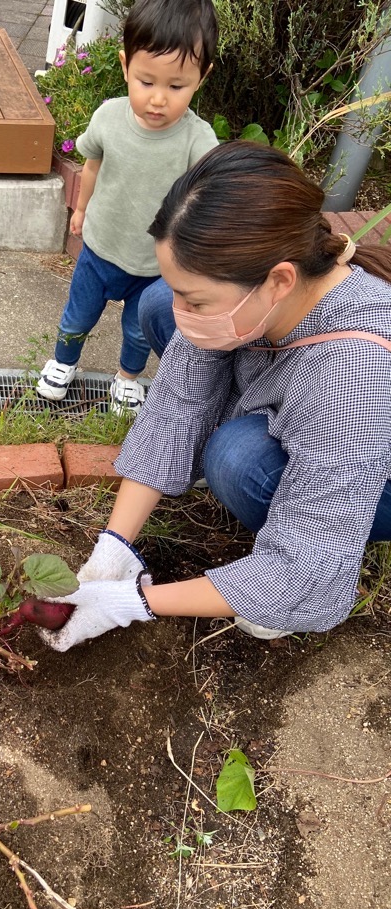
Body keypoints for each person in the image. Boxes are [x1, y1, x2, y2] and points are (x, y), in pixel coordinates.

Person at [42, 141, 391, 651]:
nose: (187, 312)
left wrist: (134, 603)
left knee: (238, 458)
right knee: (159, 306)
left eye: (197, 299)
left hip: (372, 476)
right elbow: (177, 402)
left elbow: (305, 572)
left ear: (279, 281)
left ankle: (270, 591)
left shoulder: (351, 374)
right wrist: (114, 545)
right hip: (305, 397)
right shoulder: (268, 294)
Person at [36, 0, 219, 415]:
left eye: (176, 87)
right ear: (125, 65)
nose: (158, 99)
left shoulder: (198, 140)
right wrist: (80, 212)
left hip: (154, 266)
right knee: (77, 317)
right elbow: (92, 166)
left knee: (138, 332)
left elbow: (207, 196)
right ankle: (63, 363)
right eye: (146, 81)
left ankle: (127, 379)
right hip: (100, 248)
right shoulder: (108, 118)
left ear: (201, 78)